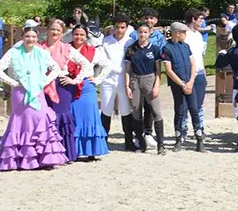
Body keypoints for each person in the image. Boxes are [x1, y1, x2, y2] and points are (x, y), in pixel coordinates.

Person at [0, 24, 69, 171]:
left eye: (33, 37)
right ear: (22, 37)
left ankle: (42, 158)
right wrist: (14, 83)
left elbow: (56, 69)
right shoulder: (13, 52)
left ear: (37, 38)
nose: (30, 39)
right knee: (21, 123)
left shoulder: (42, 53)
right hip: (20, 94)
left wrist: (44, 81)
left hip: (37, 92)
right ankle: (19, 160)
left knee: (40, 120)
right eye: (27, 36)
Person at [39, 20, 83, 163]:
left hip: (62, 86)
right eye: (53, 29)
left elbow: (86, 65)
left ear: (62, 33)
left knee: (61, 117)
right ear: (47, 30)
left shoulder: (67, 48)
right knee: (45, 118)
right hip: (43, 86)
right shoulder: (39, 48)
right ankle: (46, 154)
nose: (55, 32)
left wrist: (75, 80)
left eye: (58, 30)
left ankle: (65, 153)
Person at [66, 25, 109, 161]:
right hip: (70, 86)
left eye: (82, 35)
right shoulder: (65, 49)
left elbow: (108, 65)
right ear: (72, 35)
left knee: (89, 119)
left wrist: (97, 80)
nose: (79, 37)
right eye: (76, 34)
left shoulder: (92, 51)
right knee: (73, 118)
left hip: (86, 88)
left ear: (86, 37)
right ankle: (73, 150)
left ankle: (91, 150)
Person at [162, 22, 204, 152]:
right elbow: (169, 70)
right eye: (184, 32)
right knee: (180, 110)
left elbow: (193, 64)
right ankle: (178, 139)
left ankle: (199, 139)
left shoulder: (186, 46)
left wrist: (191, 81)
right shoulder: (167, 48)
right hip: (177, 85)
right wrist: (181, 83)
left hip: (189, 83)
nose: (185, 35)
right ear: (177, 33)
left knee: (194, 109)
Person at [125, 25, 166, 155]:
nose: (142, 35)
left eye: (145, 32)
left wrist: (156, 85)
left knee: (156, 111)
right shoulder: (131, 49)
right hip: (135, 80)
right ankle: (141, 142)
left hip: (150, 79)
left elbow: (158, 70)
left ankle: (161, 144)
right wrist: (127, 86)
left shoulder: (154, 49)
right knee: (136, 110)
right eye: (140, 32)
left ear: (149, 34)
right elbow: (127, 70)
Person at [98, 15, 136, 150]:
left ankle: (129, 141)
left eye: (122, 27)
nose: (119, 30)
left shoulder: (131, 41)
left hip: (124, 79)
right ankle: (103, 141)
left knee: (126, 110)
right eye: (117, 27)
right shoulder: (106, 41)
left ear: (127, 27)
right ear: (113, 27)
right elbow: (102, 59)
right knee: (106, 109)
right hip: (108, 79)